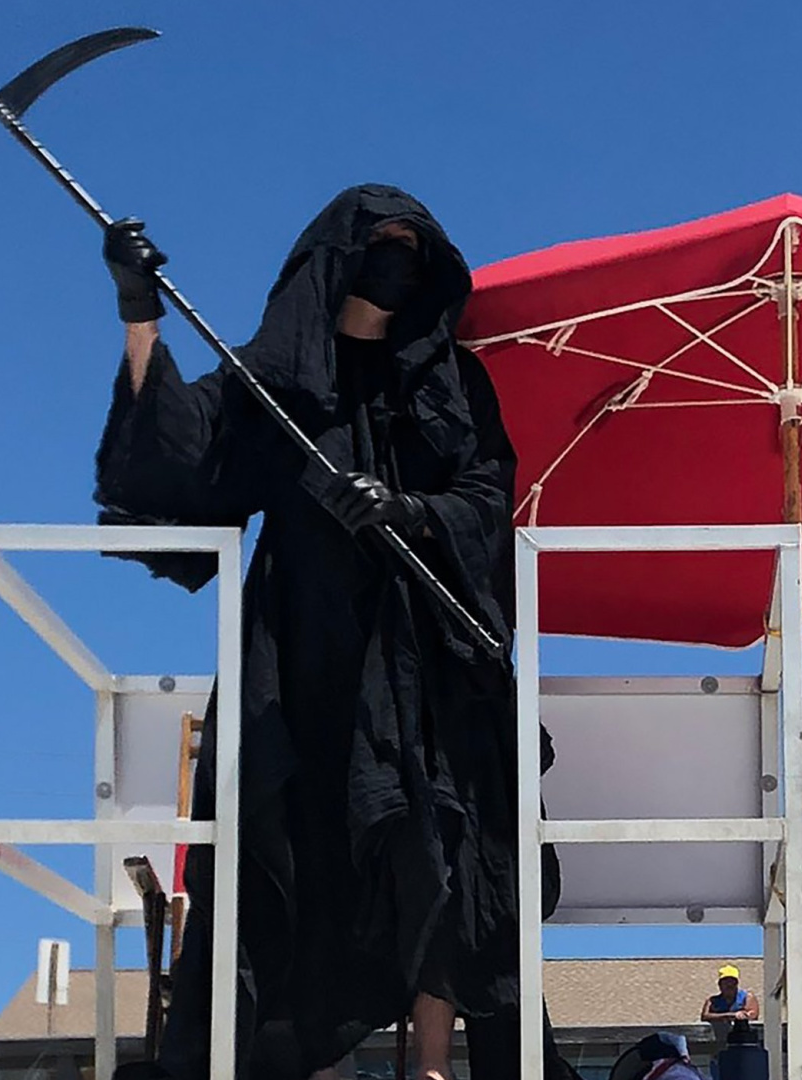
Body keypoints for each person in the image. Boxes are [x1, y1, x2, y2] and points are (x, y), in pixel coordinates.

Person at [92, 185, 569, 1080]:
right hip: (306, 655)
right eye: (382, 245)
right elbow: (172, 462)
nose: (399, 264)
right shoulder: (275, 380)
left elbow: (487, 496)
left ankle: (431, 1063)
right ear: (336, 257)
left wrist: (412, 510)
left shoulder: (451, 381)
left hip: (430, 652)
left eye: (413, 250)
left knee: (445, 843)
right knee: (298, 843)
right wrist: (139, 311)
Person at [699, 966, 758, 1050]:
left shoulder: (747, 997)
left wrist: (744, 1015)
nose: (729, 985)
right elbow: (705, 1016)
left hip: (744, 1042)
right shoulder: (713, 1000)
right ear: (720, 984)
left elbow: (753, 1014)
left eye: (732, 982)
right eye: (726, 982)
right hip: (720, 1041)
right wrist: (730, 1015)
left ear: (737, 983)